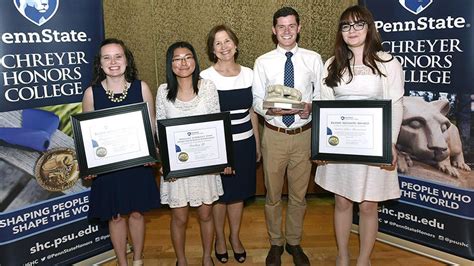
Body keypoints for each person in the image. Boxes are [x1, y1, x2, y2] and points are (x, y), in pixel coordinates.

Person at [314, 5, 404, 266]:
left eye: (358, 24)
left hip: (374, 146)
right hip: (340, 146)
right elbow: (323, 104)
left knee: (367, 205)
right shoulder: (331, 64)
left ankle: (364, 259)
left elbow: (396, 103)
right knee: (341, 201)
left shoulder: (388, 63)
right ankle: (342, 255)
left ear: (369, 28)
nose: (351, 30)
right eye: (346, 26)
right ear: (340, 32)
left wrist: (391, 142)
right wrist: (321, 145)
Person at [252, 7, 323, 266]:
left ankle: (293, 242)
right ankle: (275, 243)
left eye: (291, 26)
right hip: (275, 135)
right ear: (273, 30)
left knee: (299, 195)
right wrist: (268, 109)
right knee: (272, 195)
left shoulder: (313, 59)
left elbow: (322, 93)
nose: (286, 31)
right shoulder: (263, 61)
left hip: (303, 134)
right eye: (281, 26)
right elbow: (257, 99)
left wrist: (312, 106)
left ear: (299, 28)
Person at [82, 38, 160, 266]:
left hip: (137, 164)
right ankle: (122, 262)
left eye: (118, 56)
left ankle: (137, 259)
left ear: (127, 60)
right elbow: (88, 135)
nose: (113, 62)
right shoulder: (91, 93)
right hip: (108, 168)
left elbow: (151, 124)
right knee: (115, 216)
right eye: (107, 57)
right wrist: (90, 165)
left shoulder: (141, 88)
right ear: (100, 63)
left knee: (136, 213)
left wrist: (152, 151)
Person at [156, 41, 223, 266]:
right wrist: (166, 163)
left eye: (188, 57)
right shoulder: (163, 91)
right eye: (177, 58)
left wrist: (220, 159)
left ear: (195, 60)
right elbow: (160, 129)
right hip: (177, 167)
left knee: (205, 215)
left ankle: (206, 257)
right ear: (170, 63)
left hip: (205, 165)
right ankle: (181, 260)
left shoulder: (208, 87)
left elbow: (216, 125)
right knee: (179, 218)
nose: (183, 63)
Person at [200, 24, 261, 264]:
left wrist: (256, 143)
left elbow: (252, 112)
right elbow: (206, 118)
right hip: (219, 147)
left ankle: (235, 237)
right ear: (212, 50)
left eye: (227, 41)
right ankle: (219, 240)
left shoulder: (249, 73)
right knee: (220, 195)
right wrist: (218, 154)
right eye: (218, 43)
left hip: (244, 144)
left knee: (238, 196)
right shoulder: (205, 77)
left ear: (235, 45)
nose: (223, 47)